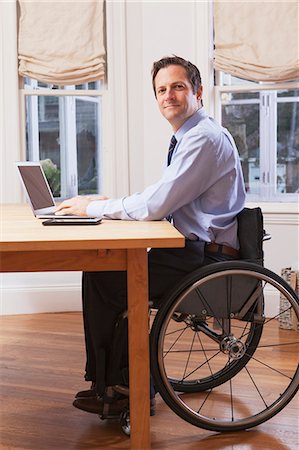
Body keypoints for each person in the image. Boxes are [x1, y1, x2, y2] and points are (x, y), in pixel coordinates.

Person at [55, 55, 246, 418]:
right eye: (161, 89)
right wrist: (104, 202)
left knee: (105, 275)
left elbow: (156, 204)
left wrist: (94, 209)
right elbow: (163, 195)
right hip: (193, 248)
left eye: (178, 87)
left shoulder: (202, 139)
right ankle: (115, 384)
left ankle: (125, 388)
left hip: (206, 257)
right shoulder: (187, 136)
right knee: (104, 269)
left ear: (198, 92)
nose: (168, 95)